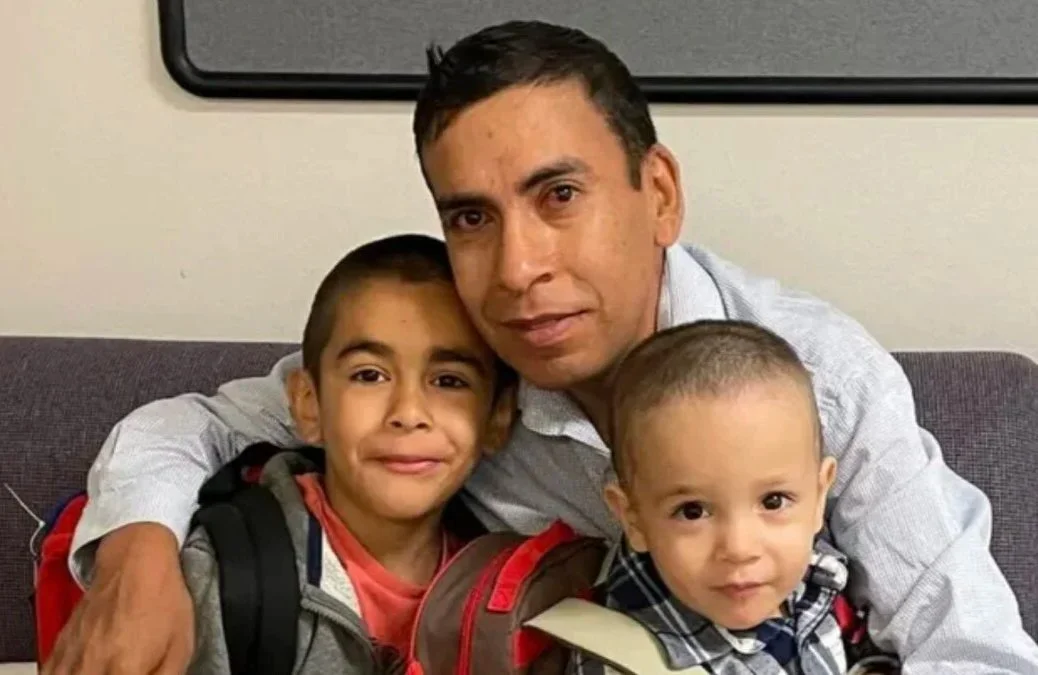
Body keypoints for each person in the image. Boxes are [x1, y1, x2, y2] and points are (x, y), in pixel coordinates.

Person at [46, 20, 1038, 675]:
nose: (518, 269)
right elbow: (193, 424)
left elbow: (972, 646)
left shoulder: (817, 376)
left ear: (658, 194)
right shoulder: (455, 373)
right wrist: (138, 552)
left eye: (559, 195)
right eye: (472, 218)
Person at [186, 233, 514, 673]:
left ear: (497, 419)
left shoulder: (512, 593)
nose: (408, 413)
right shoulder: (222, 576)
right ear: (309, 404)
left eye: (449, 381)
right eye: (369, 375)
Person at [572, 320, 898, 674]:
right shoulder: (618, 661)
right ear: (633, 518)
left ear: (819, 496)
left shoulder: (818, 578)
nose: (740, 549)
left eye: (773, 501)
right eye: (692, 511)